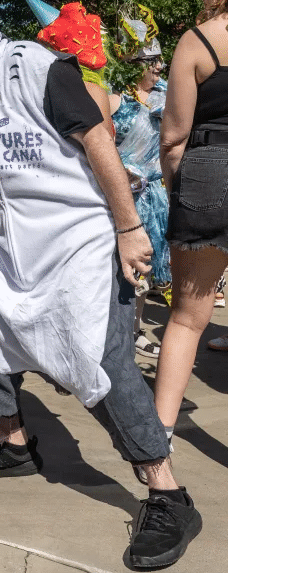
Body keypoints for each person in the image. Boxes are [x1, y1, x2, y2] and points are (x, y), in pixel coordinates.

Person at [0, 0, 201, 569]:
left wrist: (128, 227)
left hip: (81, 241)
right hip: (15, 250)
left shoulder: (35, 68)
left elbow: (97, 141)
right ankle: (8, 443)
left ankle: (168, 493)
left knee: (99, 359)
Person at [155, 0, 228, 437]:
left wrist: (175, 191)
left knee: (184, 319)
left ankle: (155, 441)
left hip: (208, 165)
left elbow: (173, 137)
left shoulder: (196, 42)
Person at [108, 25, 170, 359]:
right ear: (134, 62)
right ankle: (114, 334)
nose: (159, 66)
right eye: (151, 60)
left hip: (154, 199)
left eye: (160, 59)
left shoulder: (168, 95)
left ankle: (134, 330)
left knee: (146, 267)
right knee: (117, 269)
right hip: (120, 196)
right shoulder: (115, 98)